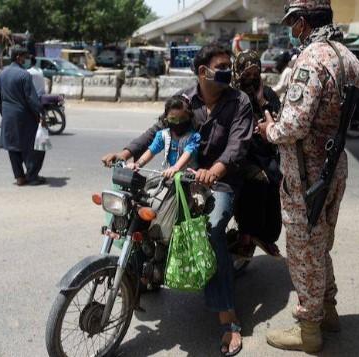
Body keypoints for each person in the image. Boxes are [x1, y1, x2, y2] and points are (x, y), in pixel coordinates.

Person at [101, 43, 253, 357]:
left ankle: (228, 320)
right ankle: (145, 275)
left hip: (219, 182)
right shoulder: (184, 100)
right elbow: (158, 130)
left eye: (229, 65)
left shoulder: (239, 101)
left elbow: (237, 145)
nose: (228, 70)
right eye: (222, 65)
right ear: (202, 71)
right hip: (181, 178)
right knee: (140, 212)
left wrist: (215, 170)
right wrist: (127, 153)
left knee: (209, 234)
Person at [257, 0, 359, 352]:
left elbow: (294, 125)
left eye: (293, 23)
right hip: (334, 169)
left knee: (303, 252)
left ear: (303, 22)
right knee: (320, 246)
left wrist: (270, 129)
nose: (292, 30)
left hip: (306, 175)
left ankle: (309, 329)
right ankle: (328, 310)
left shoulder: (312, 58)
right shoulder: (349, 59)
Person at [231, 50, 282, 257]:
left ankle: (265, 236)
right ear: (238, 71)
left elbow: (280, 124)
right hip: (239, 152)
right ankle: (247, 233)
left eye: (255, 73)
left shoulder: (267, 94)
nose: (251, 78)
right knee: (257, 181)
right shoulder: (231, 95)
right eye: (247, 73)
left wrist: (263, 105)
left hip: (265, 151)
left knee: (276, 178)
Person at [0, 46, 45, 186]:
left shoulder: (2, 74)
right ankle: (32, 176)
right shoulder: (24, 75)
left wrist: (3, 113)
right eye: (24, 57)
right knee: (34, 147)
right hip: (24, 117)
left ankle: (19, 177)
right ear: (18, 57)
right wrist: (40, 115)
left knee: (13, 147)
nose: (26, 60)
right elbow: (32, 99)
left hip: (8, 116)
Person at [126, 95, 200, 178]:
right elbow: (151, 150)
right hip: (171, 175)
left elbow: (188, 153)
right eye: (173, 119)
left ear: (189, 118)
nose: (178, 123)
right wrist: (138, 164)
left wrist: (176, 167)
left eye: (182, 119)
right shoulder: (163, 135)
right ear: (166, 118)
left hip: (190, 178)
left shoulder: (193, 137)